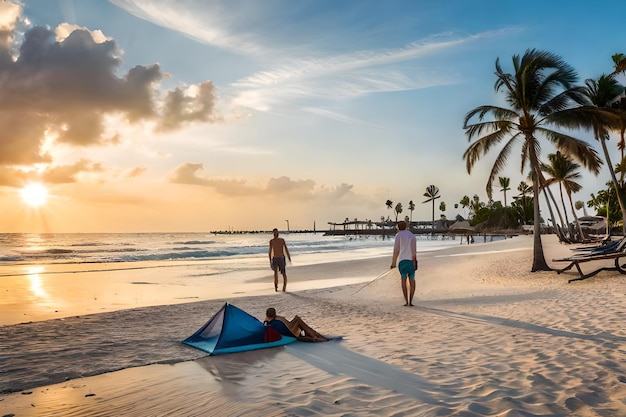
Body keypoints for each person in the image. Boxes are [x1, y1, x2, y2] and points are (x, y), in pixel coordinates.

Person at [390, 220, 417, 306]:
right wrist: (415, 261)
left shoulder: (398, 235)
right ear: (406, 226)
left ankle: (406, 301)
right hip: (411, 261)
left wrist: (393, 263)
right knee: (412, 280)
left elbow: (396, 250)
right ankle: (411, 301)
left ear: (398, 227)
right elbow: (414, 251)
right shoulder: (411, 235)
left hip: (402, 261)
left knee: (403, 281)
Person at [264, 307, 328, 342]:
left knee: (297, 319)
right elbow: (284, 330)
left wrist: (266, 320)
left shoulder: (274, 321)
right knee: (298, 320)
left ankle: (314, 335)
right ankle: (314, 335)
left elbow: (265, 325)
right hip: (290, 333)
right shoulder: (275, 322)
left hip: (289, 330)